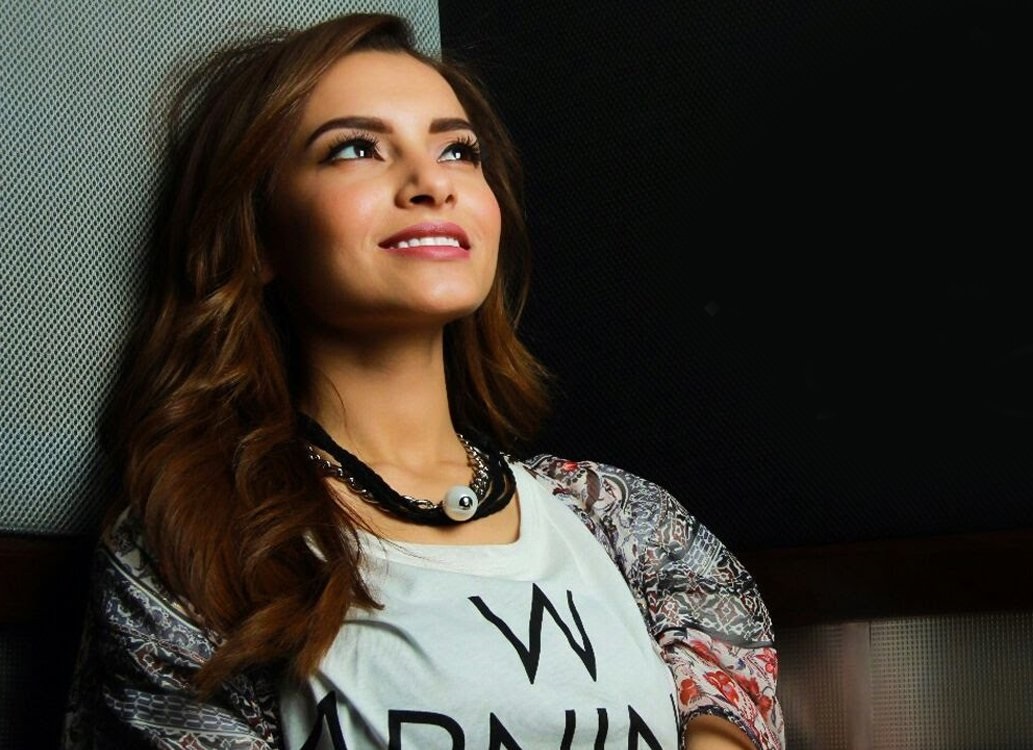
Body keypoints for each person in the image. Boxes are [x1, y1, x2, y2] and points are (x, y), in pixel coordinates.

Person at [60, 11, 784, 750]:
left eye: (458, 151)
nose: (431, 182)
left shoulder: (626, 525)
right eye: (356, 148)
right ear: (261, 233)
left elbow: (733, 695)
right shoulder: (198, 539)